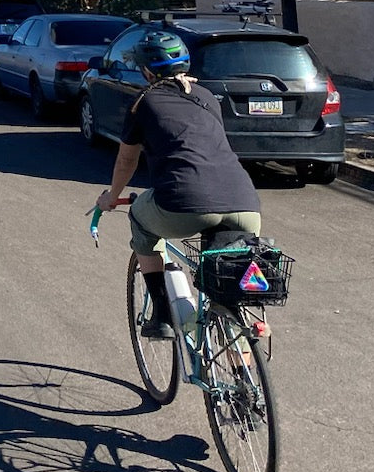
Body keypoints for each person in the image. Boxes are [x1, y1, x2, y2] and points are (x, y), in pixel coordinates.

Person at [96, 29, 261, 337]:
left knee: (140, 220)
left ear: (146, 70)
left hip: (183, 203)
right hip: (245, 203)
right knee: (229, 288)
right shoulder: (207, 96)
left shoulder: (143, 103)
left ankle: (161, 315)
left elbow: (126, 161)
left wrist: (111, 196)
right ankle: (245, 375)